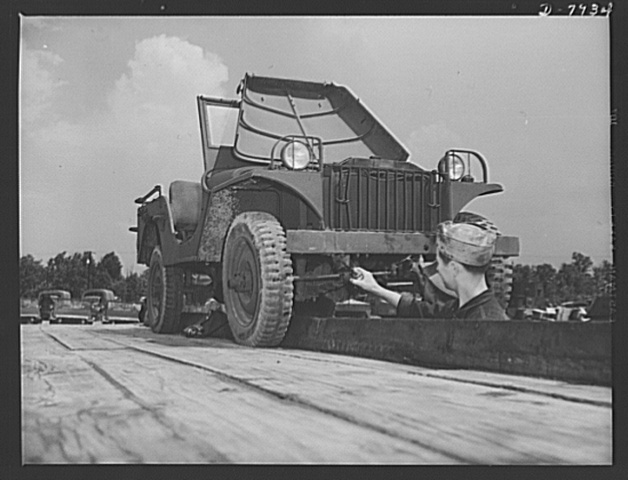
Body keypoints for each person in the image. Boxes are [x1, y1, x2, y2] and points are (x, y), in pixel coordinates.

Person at [350, 220, 509, 320]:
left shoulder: (484, 322)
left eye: (438, 262)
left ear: (454, 268)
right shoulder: (464, 308)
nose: (437, 269)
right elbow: (419, 310)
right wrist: (375, 288)